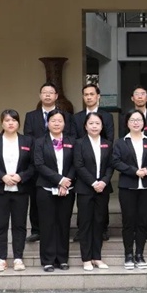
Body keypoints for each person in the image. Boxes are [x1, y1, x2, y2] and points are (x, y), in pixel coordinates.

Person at [0, 109, 35, 272]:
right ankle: (1, 259)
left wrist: (20, 176)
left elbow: (34, 165)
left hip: (20, 190)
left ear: (18, 123)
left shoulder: (27, 141)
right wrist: (2, 176)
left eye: (14, 120)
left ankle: (18, 258)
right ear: (2, 123)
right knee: (1, 225)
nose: (10, 123)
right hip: (0, 190)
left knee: (19, 225)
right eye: (7, 120)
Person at [23, 82, 73, 243]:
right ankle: (37, 230)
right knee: (37, 199)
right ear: (40, 95)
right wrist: (44, 149)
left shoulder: (66, 116)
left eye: (51, 92)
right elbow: (29, 138)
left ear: (56, 96)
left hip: (62, 163)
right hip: (39, 163)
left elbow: (71, 136)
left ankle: (60, 231)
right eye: (44, 92)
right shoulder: (31, 116)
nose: (47, 95)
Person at [113, 110, 147, 270]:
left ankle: (139, 254)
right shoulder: (120, 142)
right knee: (128, 222)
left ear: (144, 123)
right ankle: (128, 254)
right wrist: (134, 171)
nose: (136, 123)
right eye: (132, 120)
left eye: (139, 120)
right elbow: (116, 161)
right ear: (127, 123)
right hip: (128, 186)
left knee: (143, 221)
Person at [33, 109, 76, 272]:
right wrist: (59, 180)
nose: (56, 123)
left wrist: (65, 182)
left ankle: (62, 259)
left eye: (60, 121)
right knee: (47, 224)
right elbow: (39, 164)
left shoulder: (72, 141)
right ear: (47, 123)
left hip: (67, 189)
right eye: (53, 120)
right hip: (45, 188)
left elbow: (76, 163)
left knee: (63, 224)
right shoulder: (40, 142)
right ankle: (48, 260)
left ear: (64, 124)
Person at [71, 84, 115, 242]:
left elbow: (110, 139)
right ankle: (81, 230)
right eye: (86, 94)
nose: (89, 97)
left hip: (102, 161)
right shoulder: (76, 117)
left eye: (92, 94)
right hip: (83, 164)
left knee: (102, 204)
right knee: (84, 204)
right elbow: (74, 139)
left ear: (98, 96)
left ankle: (103, 229)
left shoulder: (107, 116)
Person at [120, 85, 147, 241]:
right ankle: (133, 231)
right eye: (136, 94)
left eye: (143, 94)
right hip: (130, 163)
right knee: (131, 204)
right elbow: (122, 141)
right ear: (132, 98)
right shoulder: (126, 117)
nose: (139, 96)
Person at [73, 112, 114, 271]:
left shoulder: (107, 144)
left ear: (102, 126)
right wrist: (93, 182)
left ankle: (97, 257)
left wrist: (103, 181)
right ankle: (86, 259)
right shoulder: (79, 143)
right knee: (85, 224)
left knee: (99, 223)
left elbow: (110, 165)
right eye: (91, 123)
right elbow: (79, 165)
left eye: (97, 123)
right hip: (85, 189)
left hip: (102, 189)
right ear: (85, 126)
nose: (94, 126)